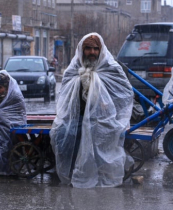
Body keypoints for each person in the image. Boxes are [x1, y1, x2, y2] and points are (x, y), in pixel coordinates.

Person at [50, 32, 134, 188]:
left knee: (99, 134)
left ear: (101, 50)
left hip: (104, 118)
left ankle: (99, 172)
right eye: (88, 48)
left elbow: (125, 95)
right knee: (62, 134)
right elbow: (63, 97)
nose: (92, 53)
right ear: (82, 50)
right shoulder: (73, 69)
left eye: (95, 49)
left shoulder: (112, 68)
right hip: (77, 117)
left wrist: (107, 104)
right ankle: (71, 172)